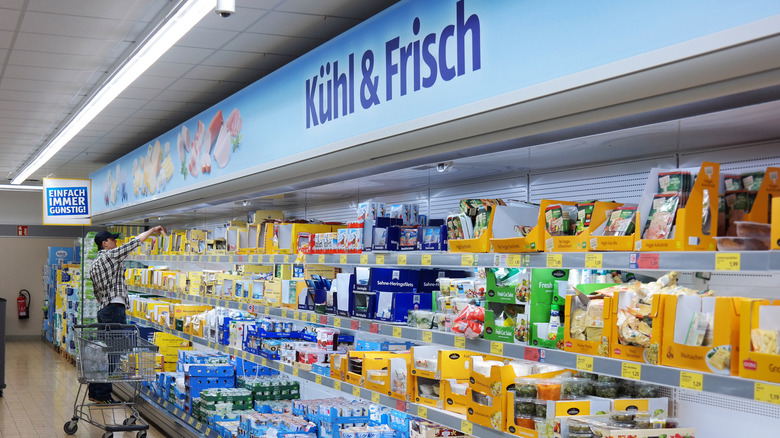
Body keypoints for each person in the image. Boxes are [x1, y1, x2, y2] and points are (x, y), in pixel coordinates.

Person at [87, 226, 166, 403]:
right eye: (113, 240)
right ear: (105, 244)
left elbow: (97, 293)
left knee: (103, 352)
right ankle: (102, 394)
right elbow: (134, 243)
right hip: (114, 310)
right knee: (113, 353)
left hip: (105, 309)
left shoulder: (94, 264)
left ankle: (95, 391)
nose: (116, 243)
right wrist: (152, 230)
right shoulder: (110, 255)